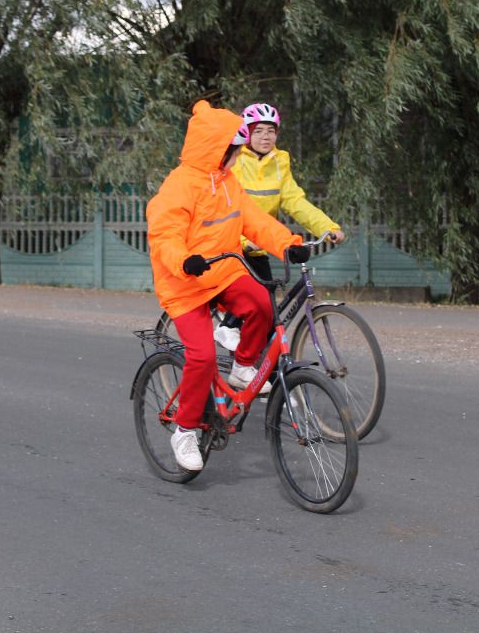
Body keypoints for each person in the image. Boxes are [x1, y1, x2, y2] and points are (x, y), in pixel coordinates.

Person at [146, 100, 308, 471]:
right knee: (201, 358)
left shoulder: (228, 183)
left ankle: (243, 365)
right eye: (234, 151)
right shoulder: (179, 187)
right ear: (218, 150)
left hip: (222, 272)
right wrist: (184, 259)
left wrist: (287, 244)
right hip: (184, 283)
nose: (239, 156)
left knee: (262, 305)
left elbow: (254, 221)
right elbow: (164, 235)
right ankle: (184, 430)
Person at [211, 102, 345, 350]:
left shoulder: (280, 162)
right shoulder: (235, 160)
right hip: (231, 244)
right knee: (255, 302)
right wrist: (242, 240)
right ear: (247, 133)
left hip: (260, 244)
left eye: (271, 131)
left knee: (269, 319)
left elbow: (295, 201)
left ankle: (269, 378)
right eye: (259, 130)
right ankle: (227, 326)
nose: (266, 136)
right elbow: (222, 206)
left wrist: (327, 228)